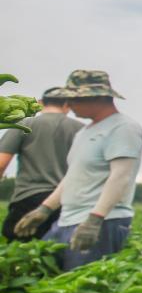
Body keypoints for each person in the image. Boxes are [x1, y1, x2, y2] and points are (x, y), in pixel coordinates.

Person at [14, 70, 142, 271]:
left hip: (101, 222)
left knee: (79, 288)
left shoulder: (123, 128)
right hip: (67, 219)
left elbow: (121, 177)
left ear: (99, 96)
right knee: (41, 277)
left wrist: (95, 220)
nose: (69, 105)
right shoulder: (84, 132)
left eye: (75, 99)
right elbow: (72, 176)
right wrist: (44, 209)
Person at [0, 87, 84, 241]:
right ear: (67, 105)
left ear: (40, 103)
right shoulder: (81, 130)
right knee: (59, 255)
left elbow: (1, 164)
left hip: (27, 198)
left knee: (19, 253)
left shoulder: (24, 124)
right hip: (65, 201)